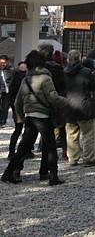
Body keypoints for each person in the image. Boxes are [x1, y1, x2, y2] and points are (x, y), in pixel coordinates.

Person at [1, 50, 68, 186]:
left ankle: (8, 173)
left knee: (23, 148)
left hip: (30, 117)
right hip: (43, 116)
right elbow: (52, 98)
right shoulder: (45, 78)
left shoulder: (26, 79)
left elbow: (17, 102)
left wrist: (20, 116)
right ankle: (53, 176)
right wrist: (67, 102)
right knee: (50, 147)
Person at [64, 50, 95, 167]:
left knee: (71, 133)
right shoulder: (86, 72)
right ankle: (89, 158)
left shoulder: (64, 72)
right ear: (80, 59)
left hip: (69, 105)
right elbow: (94, 88)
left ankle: (73, 158)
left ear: (68, 60)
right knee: (88, 133)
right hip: (84, 105)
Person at [38, 43, 67, 159]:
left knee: (35, 129)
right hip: (55, 99)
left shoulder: (36, 67)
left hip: (39, 100)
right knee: (61, 126)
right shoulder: (57, 67)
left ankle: (17, 165)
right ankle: (65, 150)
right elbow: (62, 85)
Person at [7, 61, 28, 160]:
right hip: (25, 107)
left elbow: (11, 97)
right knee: (27, 130)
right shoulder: (26, 80)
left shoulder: (14, 80)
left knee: (18, 130)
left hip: (17, 107)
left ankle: (11, 152)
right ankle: (26, 151)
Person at [0, 55, 14, 126]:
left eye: (4, 62)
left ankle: (3, 121)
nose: (2, 64)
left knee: (5, 107)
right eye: (1, 62)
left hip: (7, 91)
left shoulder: (11, 70)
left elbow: (12, 81)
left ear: (7, 62)